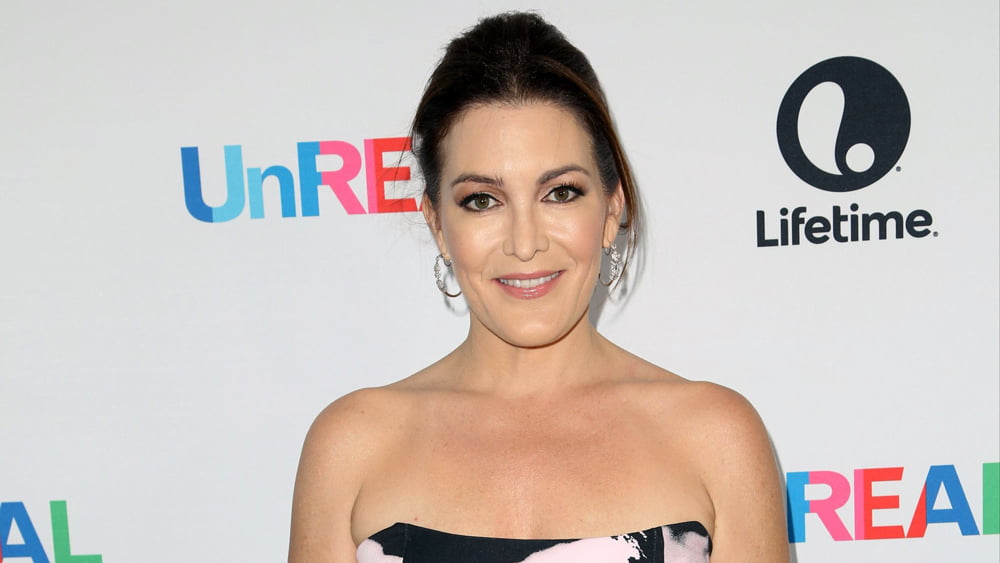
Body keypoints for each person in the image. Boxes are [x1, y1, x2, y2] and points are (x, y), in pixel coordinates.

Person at [289, 11, 788, 562]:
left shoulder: (716, 440)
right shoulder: (352, 447)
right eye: (483, 200)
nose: (524, 243)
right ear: (437, 223)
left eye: (560, 193)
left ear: (611, 209)